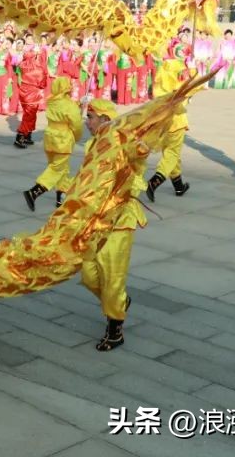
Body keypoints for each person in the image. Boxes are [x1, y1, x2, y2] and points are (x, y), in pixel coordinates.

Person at [78, 99, 147, 352]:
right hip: (94, 219)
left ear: (106, 120)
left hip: (119, 220)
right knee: (88, 273)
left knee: (112, 276)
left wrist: (139, 152)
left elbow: (138, 171)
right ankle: (118, 301)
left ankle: (115, 327)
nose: (87, 122)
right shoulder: (91, 145)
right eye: (88, 117)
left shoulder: (124, 144)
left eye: (92, 117)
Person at [23, 75, 82, 211]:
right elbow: (76, 124)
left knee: (61, 168)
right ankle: (34, 192)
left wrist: (78, 104)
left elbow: (62, 108)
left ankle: (61, 198)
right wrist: (76, 137)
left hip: (50, 138)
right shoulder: (69, 106)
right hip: (62, 140)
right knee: (57, 169)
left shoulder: (52, 101)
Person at [145, 59, 191, 201]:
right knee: (171, 155)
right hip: (176, 125)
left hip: (163, 127)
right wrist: (193, 70)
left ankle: (179, 186)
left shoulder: (158, 88)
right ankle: (154, 182)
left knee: (172, 156)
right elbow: (195, 88)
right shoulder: (176, 88)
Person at [14, 37, 48, 148]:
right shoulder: (39, 68)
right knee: (29, 115)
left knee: (30, 115)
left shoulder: (23, 65)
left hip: (24, 92)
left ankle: (27, 135)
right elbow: (43, 84)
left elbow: (24, 58)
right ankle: (20, 137)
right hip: (32, 94)